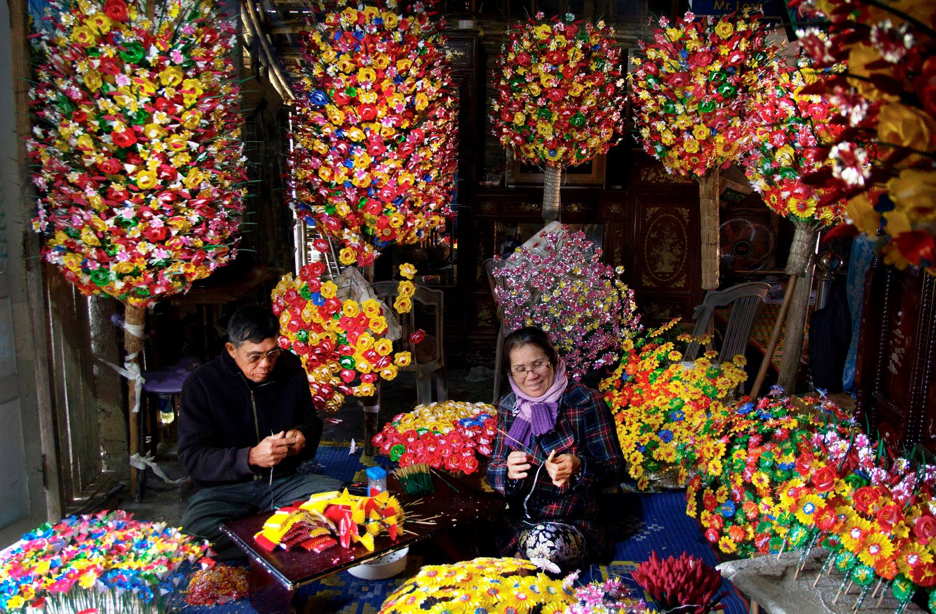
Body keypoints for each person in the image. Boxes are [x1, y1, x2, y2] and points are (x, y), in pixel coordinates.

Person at [179, 306, 342, 553]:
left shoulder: (290, 370)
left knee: (337, 498)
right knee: (195, 533)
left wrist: (302, 436)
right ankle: (282, 536)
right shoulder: (201, 384)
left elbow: (311, 422)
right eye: (254, 356)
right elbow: (193, 458)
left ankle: (259, 537)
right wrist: (250, 457)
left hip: (281, 482)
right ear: (231, 350)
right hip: (224, 490)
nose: (265, 364)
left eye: (272, 353)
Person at [486, 326, 625, 573]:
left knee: (544, 547)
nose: (531, 375)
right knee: (462, 533)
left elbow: (614, 468)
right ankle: (523, 561)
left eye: (538, 364)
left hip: (572, 519)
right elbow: (493, 469)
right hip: (520, 518)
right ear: (510, 373)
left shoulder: (584, 401)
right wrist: (508, 472)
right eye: (520, 369)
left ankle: (523, 565)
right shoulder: (509, 407)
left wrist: (579, 465)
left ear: (553, 360)